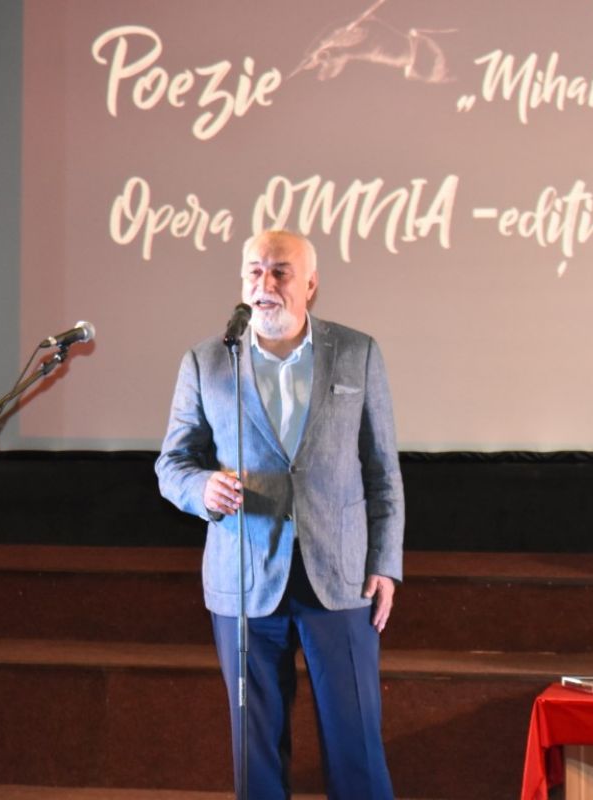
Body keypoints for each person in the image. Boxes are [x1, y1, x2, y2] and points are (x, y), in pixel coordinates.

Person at [155, 229, 404, 799]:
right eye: (254, 271)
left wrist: (385, 563)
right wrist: (202, 488)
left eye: (280, 272)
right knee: (256, 754)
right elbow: (173, 464)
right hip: (244, 579)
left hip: (340, 578)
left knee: (357, 746)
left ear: (310, 284)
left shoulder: (357, 352)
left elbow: (382, 470)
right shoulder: (207, 361)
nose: (264, 284)